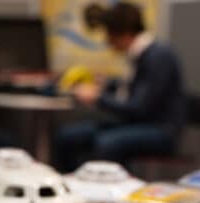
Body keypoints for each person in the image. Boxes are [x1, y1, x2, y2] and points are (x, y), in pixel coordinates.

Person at [53, 2, 185, 171]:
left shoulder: (158, 57)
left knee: (107, 143)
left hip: (160, 130)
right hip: (137, 124)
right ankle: (72, 183)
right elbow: (133, 87)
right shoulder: (139, 55)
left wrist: (97, 98)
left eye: (109, 35)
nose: (107, 42)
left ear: (124, 34)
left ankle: (104, 185)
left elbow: (139, 108)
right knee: (68, 136)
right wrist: (106, 84)